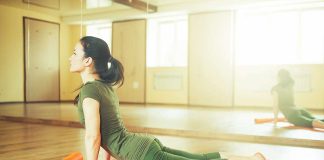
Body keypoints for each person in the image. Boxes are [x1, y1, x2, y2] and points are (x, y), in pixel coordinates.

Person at [69, 36, 267, 160]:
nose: (70, 57)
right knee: (201, 159)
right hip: (143, 144)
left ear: (87, 60)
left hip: (143, 153)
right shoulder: (105, 87)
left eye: (74, 52)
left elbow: (93, 137)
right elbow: (106, 134)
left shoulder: (90, 91)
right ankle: (252, 158)